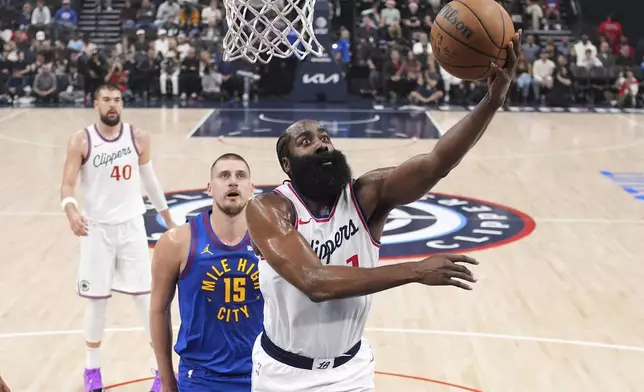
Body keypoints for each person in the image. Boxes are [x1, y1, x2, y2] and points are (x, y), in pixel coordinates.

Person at [245, 31, 522, 392]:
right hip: (284, 374)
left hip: (352, 371)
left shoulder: (365, 195)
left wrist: (491, 101)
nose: (320, 143)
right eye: (306, 141)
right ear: (287, 164)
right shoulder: (269, 209)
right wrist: (415, 270)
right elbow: (314, 282)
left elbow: (436, 162)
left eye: (324, 137)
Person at [59, 83, 176, 392]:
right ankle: (91, 372)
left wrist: (169, 221)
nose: (113, 104)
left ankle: (161, 371)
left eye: (117, 100)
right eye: (107, 100)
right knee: (96, 302)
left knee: (146, 300)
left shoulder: (138, 138)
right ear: (95, 104)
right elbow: (67, 186)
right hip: (96, 230)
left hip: (131, 228)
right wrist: (70, 210)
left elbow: (150, 180)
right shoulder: (80, 140)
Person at [150, 153, 263, 392]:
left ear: (251, 188)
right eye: (224, 176)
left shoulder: (272, 240)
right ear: (210, 188)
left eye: (240, 176)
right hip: (200, 377)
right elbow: (159, 310)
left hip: (264, 372)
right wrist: (167, 379)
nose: (233, 181)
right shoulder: (176, 242)